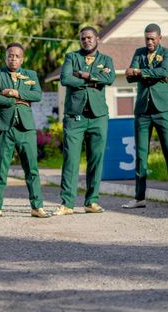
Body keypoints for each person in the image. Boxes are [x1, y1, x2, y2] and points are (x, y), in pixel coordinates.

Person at [55, 27, 115, 216]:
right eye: (83, 38)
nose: (86, 41)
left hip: (98, 117)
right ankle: (67, 204)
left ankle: (92, 201)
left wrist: (85, 75)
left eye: (89, 37)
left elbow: (110, 78)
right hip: (75, 117)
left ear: (97, 39)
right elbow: (65, 79)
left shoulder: (106, 60)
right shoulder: (71, 57)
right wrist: (93, 81)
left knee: (96, 160)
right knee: (71, 160)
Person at [0, 43, 50, 219]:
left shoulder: (31, 75)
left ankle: (37, 206)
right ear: (5, 57)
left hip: (25, 128)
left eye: (16, 56)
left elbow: (37, 95)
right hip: (3, 128)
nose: (13, 58)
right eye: (10, 56)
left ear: (22, 59)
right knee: (0, 169)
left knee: (32, 169)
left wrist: (13, 93)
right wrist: (18, 100)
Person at [123, 23, 168, 209]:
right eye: (146, 38)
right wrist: (153, 75)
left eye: (152, 38)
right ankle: (139, 198)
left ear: (159, 38)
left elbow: (163, 71)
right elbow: (129, 76)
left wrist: (141, 71)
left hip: (163, 110)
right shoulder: (139, 52)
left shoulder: (167, 52)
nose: (149, 42)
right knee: (141, 156)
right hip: (142, 111)